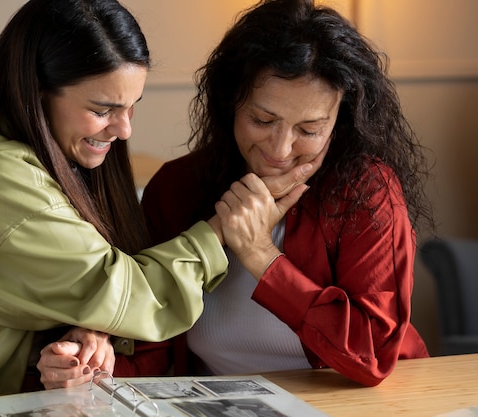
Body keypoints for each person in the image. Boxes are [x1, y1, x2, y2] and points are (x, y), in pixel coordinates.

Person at [0, 0, 316, 406]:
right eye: (102, 110)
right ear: (36, 94)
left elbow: (93, 281)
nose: (124, 130)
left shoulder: (50, 155)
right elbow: (130, 292)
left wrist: (94, 325)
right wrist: (227, 228)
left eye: (131, 105)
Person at [37, 0, 435, 388]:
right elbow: (152, 346)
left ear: (341, 121)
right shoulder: (178, 187)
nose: (280, 150)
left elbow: (372, 353)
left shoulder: (366, 192)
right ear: (230, 105)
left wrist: (262, 256)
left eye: (309, 130)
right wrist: (93, 362)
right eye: (262, 120)